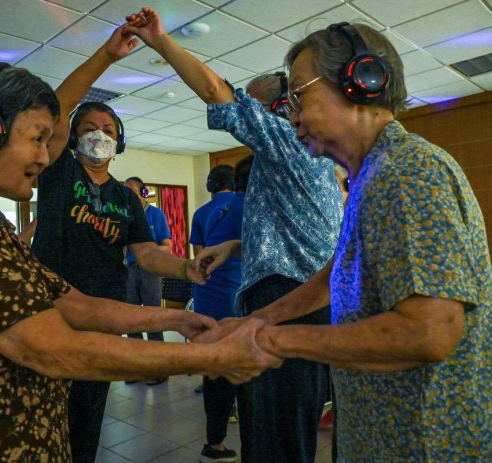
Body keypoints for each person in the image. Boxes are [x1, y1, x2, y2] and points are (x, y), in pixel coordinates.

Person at [0, 28, 281, 463]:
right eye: (37, 139)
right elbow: (51, 347)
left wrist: (177, 319)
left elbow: (72, 303)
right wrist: (211, 357)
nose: (43, 156)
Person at [194, 20, 492, 462]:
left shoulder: (406, 173)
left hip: (430, 445)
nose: (291, 116)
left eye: (299, 97)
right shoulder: (371, 177)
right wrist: (256, 321)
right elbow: (335, 276)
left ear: (360, 82)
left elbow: (429, 332)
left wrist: (269, 342)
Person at [125, 9, 343, 463]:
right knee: (273, 427)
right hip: (307, 298)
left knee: (278, 434)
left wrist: (160, 40)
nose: (251, 116)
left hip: (288, 299)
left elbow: (216, 92)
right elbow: (303, 236)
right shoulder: (311, 162)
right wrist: (237, 245)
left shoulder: (287, 142)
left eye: (258, 107)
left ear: (282, 109)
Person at [28, 23, 229, 463]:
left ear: (118, 140)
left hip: (105, 310)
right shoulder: (59, 171)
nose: (98, 134)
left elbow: (146, 252)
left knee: (87, 413)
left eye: (107, 128)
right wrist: (107, 55)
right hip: (51, 306)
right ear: (72, 137)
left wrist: (185, 267)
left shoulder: (126, 198)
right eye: (88, 127)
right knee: (42, 413)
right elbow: (55, 112)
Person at [194, 156, 252, 463]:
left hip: (207, 294)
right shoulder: (253, 209)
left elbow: (200, 256)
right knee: (243, 370)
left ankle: (214, 441)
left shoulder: (205, 212)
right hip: (235, 296)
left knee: (216, 367)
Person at [124, 176, 171, 386]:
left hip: (151, 271)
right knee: (131, 319)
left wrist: (147, 252)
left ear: (143, 193)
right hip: (129, 271)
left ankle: (158, 369)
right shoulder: (125, 215)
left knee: (153, 318)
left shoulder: (155, 215)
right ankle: (138, 367)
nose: (128, 196)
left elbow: (167, 247)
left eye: (132, 192)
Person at [190, 165, 235, 257]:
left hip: (213, 264)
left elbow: (199, 254)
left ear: (209, 185)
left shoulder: (199, 214)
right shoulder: (248, 206)